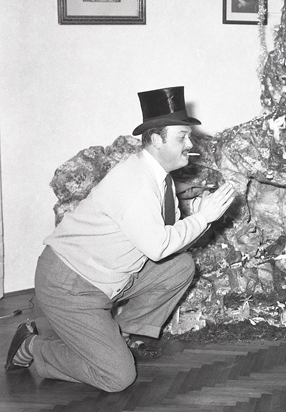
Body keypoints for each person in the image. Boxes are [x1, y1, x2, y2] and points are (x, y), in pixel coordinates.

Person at [5, 86, 236, 392]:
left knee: (179, 267)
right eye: (182, 137)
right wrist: (203, 217)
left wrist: (197, 212)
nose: (190, 144)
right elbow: (158, 247)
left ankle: (122, 336)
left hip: (108, 278)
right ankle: (33, 345)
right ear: (156, 140)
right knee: (117, 377)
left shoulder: (159, 179)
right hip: (69, 285)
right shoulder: (135, 183)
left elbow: (170, 238)